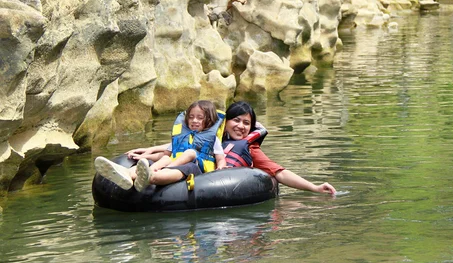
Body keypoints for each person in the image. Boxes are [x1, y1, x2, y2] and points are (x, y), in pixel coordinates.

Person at [94, 100, 226, 191]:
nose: (194, 120)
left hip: (195, 169)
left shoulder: (213, 140)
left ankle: (152, 176)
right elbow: (165, 154)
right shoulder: (181, 138)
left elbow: (220, 158)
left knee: (190, 153)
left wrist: (220, 169)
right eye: (191, 117)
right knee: (165, 158)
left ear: (209, 120)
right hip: (170, 165)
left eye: (199, 117)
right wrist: (144, 156)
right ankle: (128, 173)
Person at [221, 101, 336, 195]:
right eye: (236, 120)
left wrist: (315, 188)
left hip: (229, 190)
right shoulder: (210, 140)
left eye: (246, 123)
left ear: (251, 128)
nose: (241, 126)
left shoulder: (250, 148)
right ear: (225, 122)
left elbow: (280, 173)